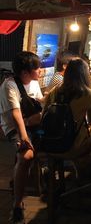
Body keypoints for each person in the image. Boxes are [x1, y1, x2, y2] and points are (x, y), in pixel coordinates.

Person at [0, 51, 42, 224]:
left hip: (32, 125)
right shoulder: (10, 85)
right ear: (25, 72)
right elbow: (15, 114)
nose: (40, 71)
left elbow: (39, 103)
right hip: (14, 127)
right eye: (37, 68)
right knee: (26, 156)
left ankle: (19, 182)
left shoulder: (33, 83)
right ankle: (17, 205)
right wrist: (24, 138)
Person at [44, 58, 91, 159]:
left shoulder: (55, 91)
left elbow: (44, 113)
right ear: (85, 75)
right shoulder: (90, 95)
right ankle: (83, 169)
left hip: (50, 143)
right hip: (73, 146)